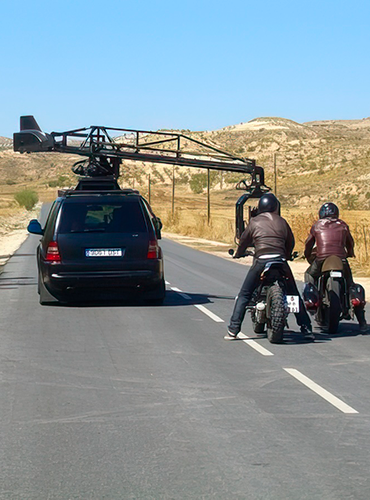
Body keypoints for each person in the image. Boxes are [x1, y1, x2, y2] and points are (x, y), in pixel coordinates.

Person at [225, 193, 313, 340]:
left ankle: (233, 329)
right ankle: (306, 328)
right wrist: (286, 254)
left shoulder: (254, 222)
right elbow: (290, 242)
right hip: (280, 261)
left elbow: (244, 241)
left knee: (244, 295)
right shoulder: (282, 221)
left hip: (261, 261)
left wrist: (239, 253)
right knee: (294, 294)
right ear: (276, 207)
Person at [304, 202, 367, 331]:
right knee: (351, 285)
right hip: (341, 259)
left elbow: (308, 243)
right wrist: (350, 253)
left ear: (321, 214)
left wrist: (307, 255)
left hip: (322, 259)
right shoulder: (343, 225)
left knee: (309, 274)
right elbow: (350, 243)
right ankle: (362, 322)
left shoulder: (317, 225)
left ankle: (312, 301)